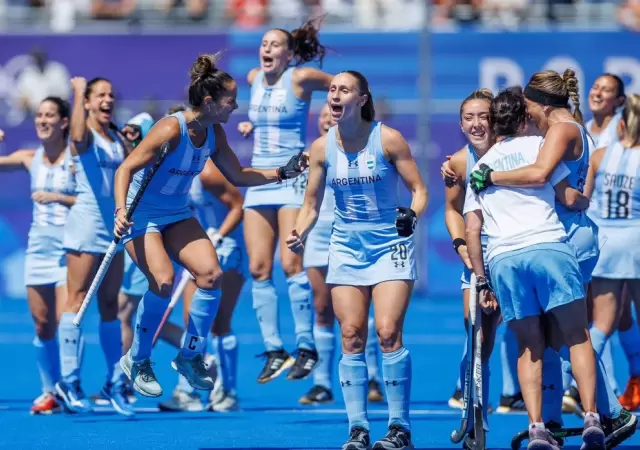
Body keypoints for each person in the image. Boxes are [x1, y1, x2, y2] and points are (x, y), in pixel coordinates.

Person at [113, 53, 307, 398]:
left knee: (211, 275)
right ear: (209, 102)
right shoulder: (170, 128)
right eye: (230, 101)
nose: (235, 108)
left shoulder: (214, 133)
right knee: (163, 281)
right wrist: (119, 211)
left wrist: (282, 172)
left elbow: (239, 175)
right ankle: (138, 358)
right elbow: (124, 169)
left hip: (176, 213)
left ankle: (190, 356)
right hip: (139, 213)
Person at [470, 71, 638, 441]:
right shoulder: (566, 129)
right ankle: (556, 421)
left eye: (528, 105)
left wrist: (490, 175)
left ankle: (604, 414)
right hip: (566, 235)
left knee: (561, 335)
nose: (525, 113)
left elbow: (542, 174)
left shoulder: (561, 130)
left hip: (565, 238)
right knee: (554, 335)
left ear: (542, 104)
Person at [287, 70, 427, 450]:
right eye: (332, 89)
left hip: (389, 244)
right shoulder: (321, 147)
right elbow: (311, 203)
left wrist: (411, 214)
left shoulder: (388, 139)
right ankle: (358, 430)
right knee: (350, 334)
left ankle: (400, 429)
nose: (335, 95)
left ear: (362, 99)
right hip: (346, 246)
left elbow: (419, 190)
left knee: (386, 332)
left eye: (344, 89)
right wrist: (300, 230)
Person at [239, 19, 333, 382]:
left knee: (291, 265)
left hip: (291, 177)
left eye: (275, 44)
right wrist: (249, 126)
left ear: (289, 54)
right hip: (259, 179)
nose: (266, 49)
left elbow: (342, 86)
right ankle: (275, 349)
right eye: (264, 43)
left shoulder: (301, 78)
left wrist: (339, 119)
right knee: (259, 269)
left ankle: (306, 347)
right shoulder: (252, 79)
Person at [56, 77, 133, 417]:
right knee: (76, 301)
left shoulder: (115, 137)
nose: (108, 99)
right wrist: (76, 92)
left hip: (113, 231)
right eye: (100, 95)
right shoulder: (84, 136)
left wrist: (132, 144)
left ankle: (115, 381)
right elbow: (74, 136)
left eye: (111, 94)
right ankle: (69, 380)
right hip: (86, 227)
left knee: (109, 308)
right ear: (87, 103)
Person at [299, 104, 384, 405]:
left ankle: (373, 376)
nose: (327, 120)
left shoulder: (361, 150)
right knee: (322, 307)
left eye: (331, 115)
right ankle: (321, 383)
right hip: (318, 235)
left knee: (364, 312)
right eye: (322, 117)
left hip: (353, 234)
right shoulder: (310, 156)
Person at [159, 133, 247, 413]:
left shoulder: (208, 173)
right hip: (201, 249)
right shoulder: (175, 175)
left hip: (228, 248)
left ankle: (228, 393)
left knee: (220, 323)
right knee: (192, 322)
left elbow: (238, 206)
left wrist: (219, 235)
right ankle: (188, 392)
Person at [0, 97, 75, 415]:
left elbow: (91, 200)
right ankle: (50, 392)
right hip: (38, 251)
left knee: (67, 321)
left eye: (50, 115)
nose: (43, 120)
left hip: (70, 250)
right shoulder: (30, 158)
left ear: (64, 122)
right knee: (43, 324)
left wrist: (58, 197)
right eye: (39, 116)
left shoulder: (78, 159)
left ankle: (71, 386)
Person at [90, 112, 155, 407]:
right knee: (131, 312)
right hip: (130, 243)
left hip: (146, 242)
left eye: (136, 132)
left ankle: (123, 381)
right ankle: (198, 353)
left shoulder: (151, 163)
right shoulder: (131, 161)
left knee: (126, 312)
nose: (129, 135)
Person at [585, 94, 640, 413]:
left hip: (605, 245)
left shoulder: (601, 155)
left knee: (602, 324)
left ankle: (574, 383)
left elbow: (582, 201)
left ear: (621, 125)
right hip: (636, 243)